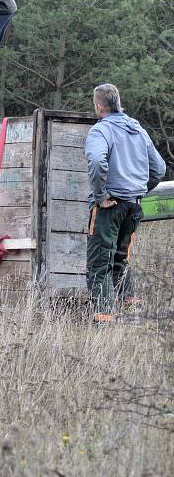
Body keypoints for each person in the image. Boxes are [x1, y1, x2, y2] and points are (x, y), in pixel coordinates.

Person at [84, 83, 166, 323]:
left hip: (110, 206)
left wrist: (101, 196)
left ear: (99, 106)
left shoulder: (101, 131)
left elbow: (98, 162)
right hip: (134, 205)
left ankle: (102, 317)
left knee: (100, 261)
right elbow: (159, 169)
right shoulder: (137, 129)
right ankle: (130, 306)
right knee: (121, 257)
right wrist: (138, 189)